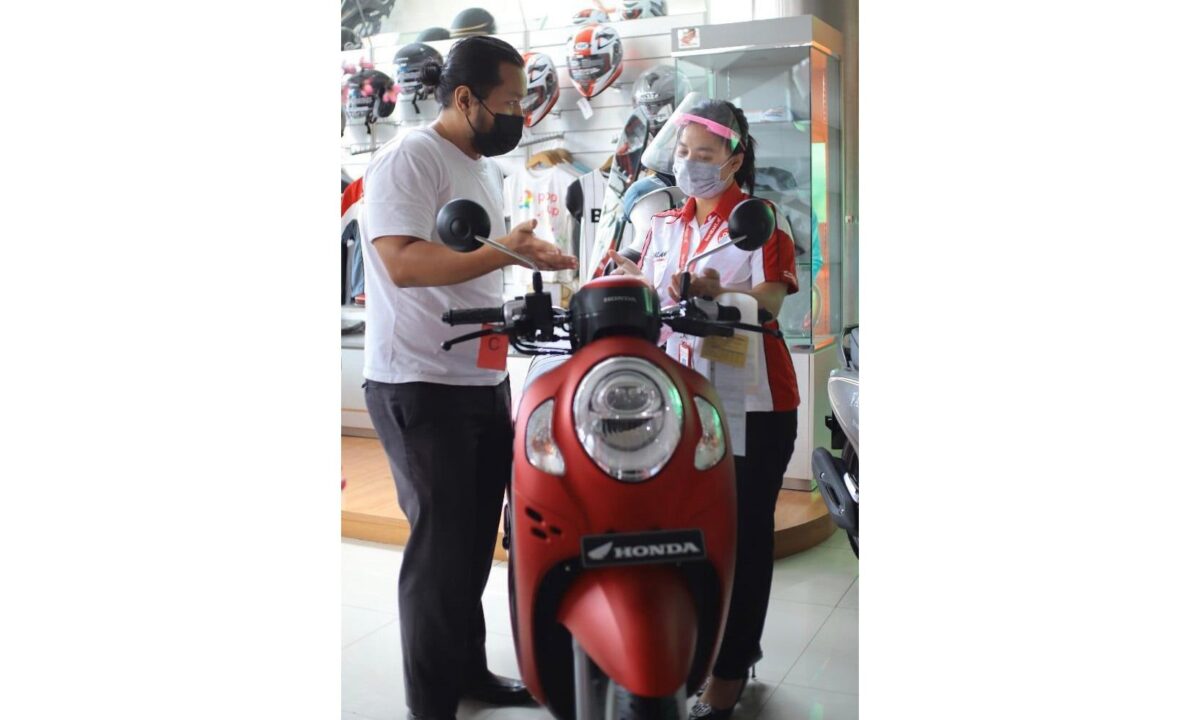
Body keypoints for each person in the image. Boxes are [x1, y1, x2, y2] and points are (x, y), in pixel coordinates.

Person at [359, 36, 577, 720]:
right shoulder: (410, 158)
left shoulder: (482, 167)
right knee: (440, 551)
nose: (520, 114)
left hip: (479, 378)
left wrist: (524, 258)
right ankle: (430, 705)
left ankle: (468, 672)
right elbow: (403, 263)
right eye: (510, 101)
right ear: (465, 98)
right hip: (419, 382)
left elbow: (475, 258)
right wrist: (505, 252)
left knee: (476, 541)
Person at [607, 99, 800, 720]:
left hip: (752, 406)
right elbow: (652, 290)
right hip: (678, 400)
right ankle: (700, 650)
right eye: (683, 151)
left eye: (705, 154)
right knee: (684, 535)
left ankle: (730, 670)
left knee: (743, 539)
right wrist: (630, 278)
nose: (690, 163)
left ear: (734, 160)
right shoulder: (663, 224)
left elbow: (769, 301)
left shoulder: (760, 220)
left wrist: (724, 293)